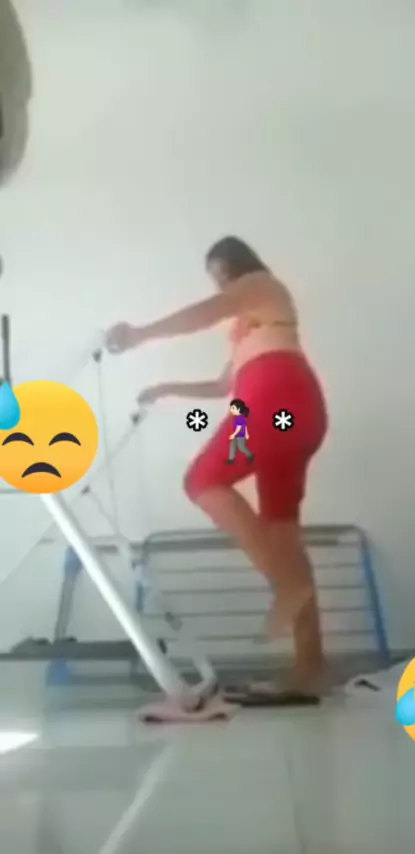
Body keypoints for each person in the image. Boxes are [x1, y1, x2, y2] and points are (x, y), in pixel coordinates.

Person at [106, 236, 329, 695]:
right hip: (293, 414)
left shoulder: (262, 285)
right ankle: (311, 669)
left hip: (276, 404)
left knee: (202, 480)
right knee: (284, 538)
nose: (219, 284)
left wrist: (138, 334)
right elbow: (221, 386)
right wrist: (166, 389)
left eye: (219, 274)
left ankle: (287, 586)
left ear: (231, 266)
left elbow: (205, 312)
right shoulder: (254, 326)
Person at [227, 398, 254, 464]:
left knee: (241, 448)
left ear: (238, 409)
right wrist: (246, 434)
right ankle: (231, 459)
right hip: (238, 436)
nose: (231, 410)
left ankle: (250, 455)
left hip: (240, 436)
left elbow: (239, 429)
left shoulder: (240, 419)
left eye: (233, 408)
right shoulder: (238, 418)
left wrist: (233, 435)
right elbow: (245, 427)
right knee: (232, 445)